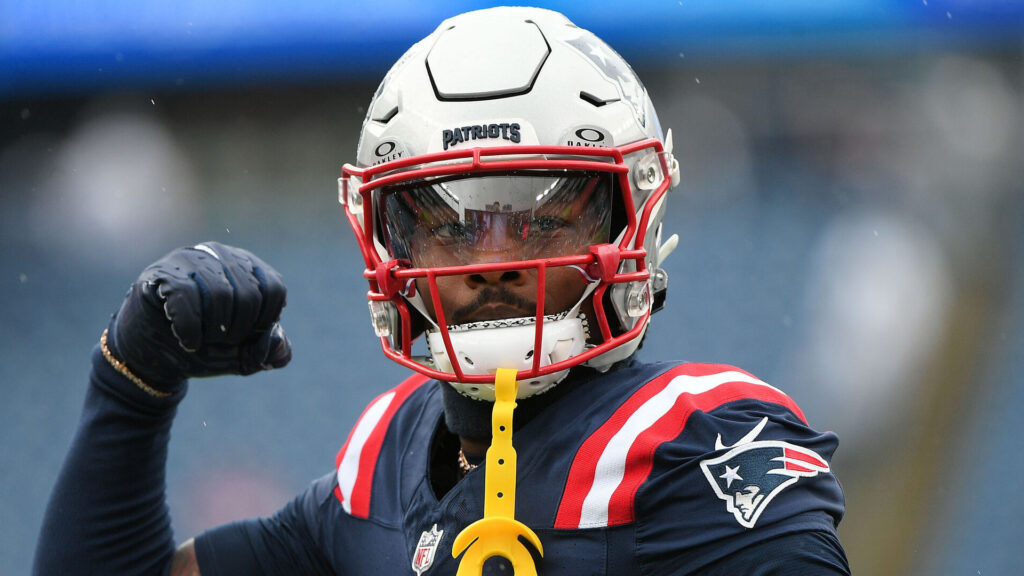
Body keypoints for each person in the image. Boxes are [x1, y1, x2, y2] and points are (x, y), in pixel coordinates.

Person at [34, 7, 849, 575]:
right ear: (393, 240)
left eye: (540, 219)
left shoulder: (698, 444)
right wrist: (131, 385)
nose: (493, 260)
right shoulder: (385, 460)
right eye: (453, 224)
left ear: (629, 218)